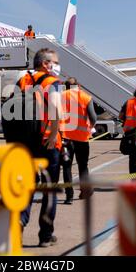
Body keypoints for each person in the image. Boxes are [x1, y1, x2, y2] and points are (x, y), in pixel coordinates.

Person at [19, 48, 62, 247]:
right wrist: (53, 135)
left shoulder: (22, 81)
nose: (57, 65)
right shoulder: (50, 82)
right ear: (45, 64)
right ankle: (45, 235)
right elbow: (55, 110)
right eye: (55, 62)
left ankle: (19, 222)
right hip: (46, 142)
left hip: (26, 142)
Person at [60, 77, 97, 205]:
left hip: (65, 138)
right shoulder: (86, 97)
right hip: (82, 138)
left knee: (66, 167)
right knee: (83, 166)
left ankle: (69, 196)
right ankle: (85, 191)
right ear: (78, 85)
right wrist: (90, 128)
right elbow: (93, 117)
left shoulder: (60, 96)